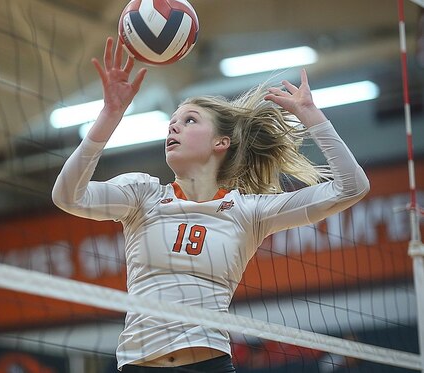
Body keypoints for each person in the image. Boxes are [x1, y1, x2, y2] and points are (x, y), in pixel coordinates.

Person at [52, 37, 370, 372]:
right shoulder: (143, 195)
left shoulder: (248, 212)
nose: (173, 125)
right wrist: (110, 114)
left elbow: (351, 187)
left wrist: (312, 116)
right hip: (139, 364)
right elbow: (68, 196)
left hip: (209, 364)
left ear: (221, 142)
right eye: (172, 121)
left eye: (189, 120)